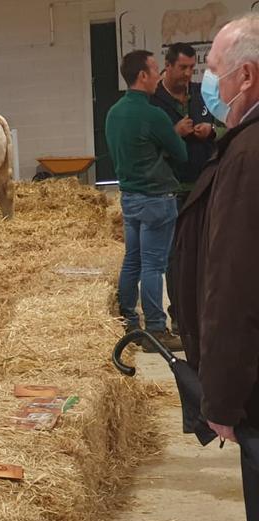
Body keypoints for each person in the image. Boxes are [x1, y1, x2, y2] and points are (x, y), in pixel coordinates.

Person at [174, 13, 259, 447]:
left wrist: (222, 401)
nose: (209, 83)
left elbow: (232, 284)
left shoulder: (246, 154)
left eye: (213, 70)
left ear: (246, 76)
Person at [105, 50, 188, 352]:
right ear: (142, 75)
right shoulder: (154, 114)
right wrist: (174, 135)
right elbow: (181, 153)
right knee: (154, 265)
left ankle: (128, 320)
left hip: (129, 197)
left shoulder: (114, 113)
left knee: (133, 259)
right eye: (155, 69)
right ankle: (156, 330)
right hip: (156, 198)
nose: (159, 75)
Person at [151, 42, 221, 332]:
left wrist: (212, 131)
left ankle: (204, 313)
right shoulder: (153, 101)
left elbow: (225, 125)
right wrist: (174, 133)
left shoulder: (203, 95)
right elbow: (147, 146)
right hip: (171, 188)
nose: (188, 74)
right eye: (183, 68)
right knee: (174, 256)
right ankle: (179, 314)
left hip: (204, 185)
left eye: (193, 68)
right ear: (167, 65)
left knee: (206, 252)